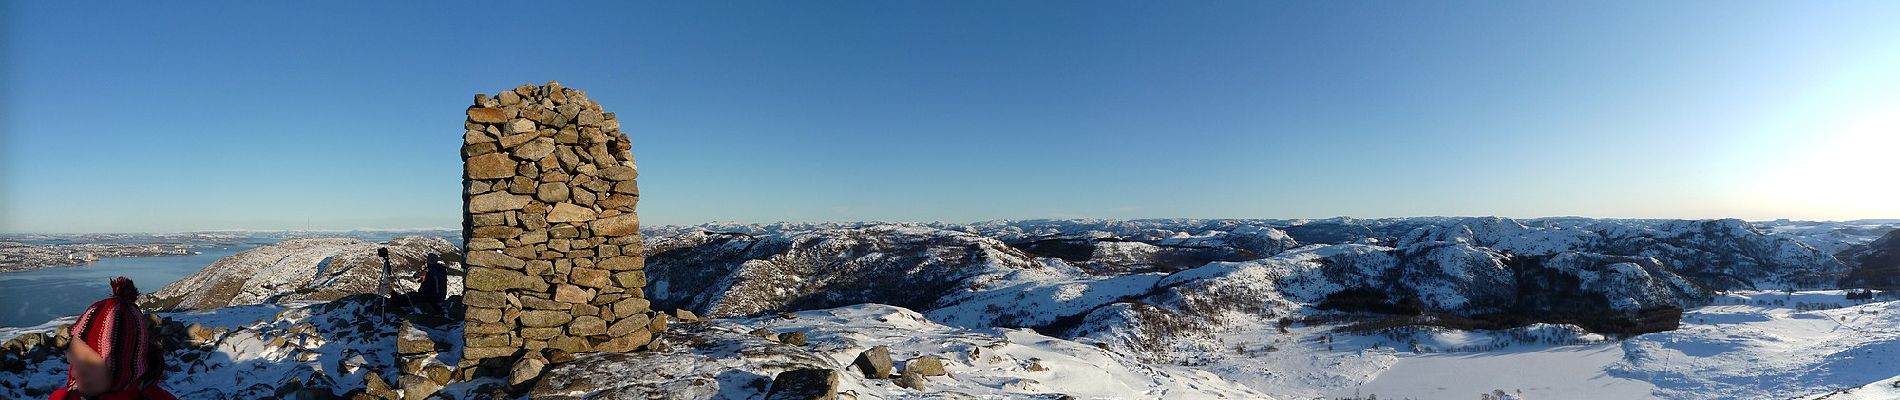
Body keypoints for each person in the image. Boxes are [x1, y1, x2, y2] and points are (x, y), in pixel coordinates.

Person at [50, 277, 177, 400]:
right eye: (74, 358)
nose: (74, 373)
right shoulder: (63, 397)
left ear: (124, 369)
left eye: (90, 364)